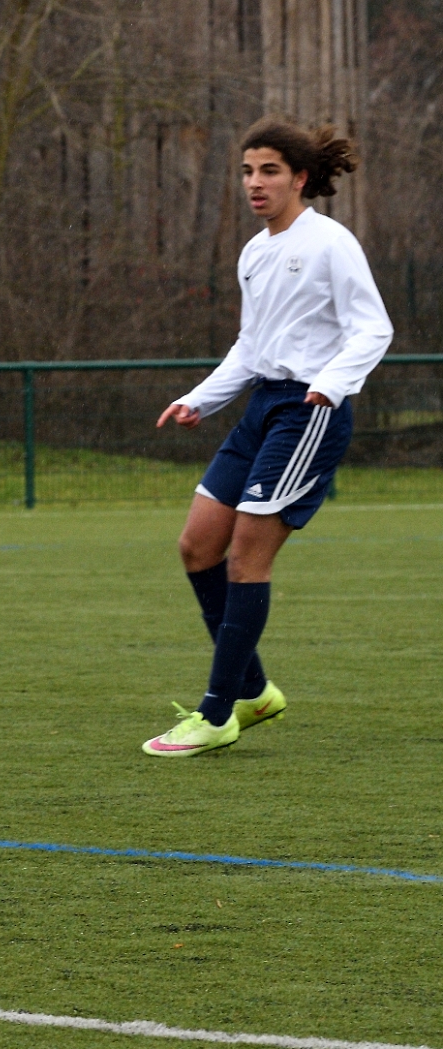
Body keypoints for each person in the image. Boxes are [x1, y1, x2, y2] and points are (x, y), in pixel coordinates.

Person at [143, 119, 392, 757]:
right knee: (197, 546)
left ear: (300, 178)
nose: (255, 183)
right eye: (248, 171)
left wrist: (331, 383)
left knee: (246, 559)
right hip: (263, 407)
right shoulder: (255, 252)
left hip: (309, 413)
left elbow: (373, 328)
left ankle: (217, 713)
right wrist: (199, 399)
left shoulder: (331, 242)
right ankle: (253, 691)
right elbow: (251, 347)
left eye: (269, 171)